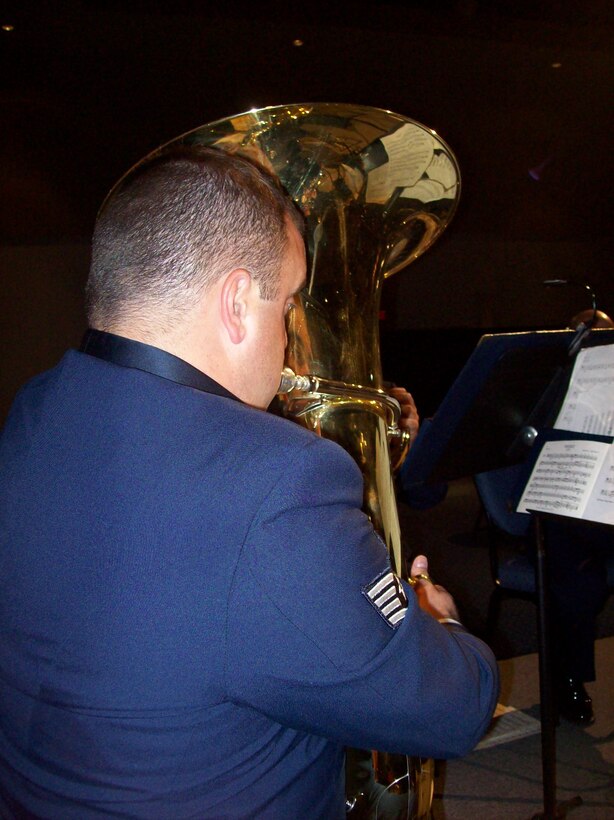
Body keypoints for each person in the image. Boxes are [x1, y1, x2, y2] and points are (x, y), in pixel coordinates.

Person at [0, 145, 498, 817]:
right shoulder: (278, 481)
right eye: (288, 303)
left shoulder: (37, 408)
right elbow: (448, 712)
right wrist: (440, 623)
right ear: (236, 302)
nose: (290, 339)